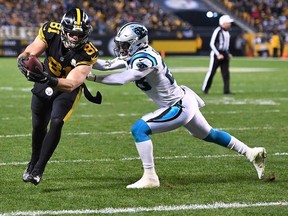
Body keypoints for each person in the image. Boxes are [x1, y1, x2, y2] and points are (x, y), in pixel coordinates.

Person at [87, 22, 267, 189]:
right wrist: (83, 59)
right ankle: (251, 152)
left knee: (139, 129)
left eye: (125, 45)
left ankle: (150, 177)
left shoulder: (145, 58)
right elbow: (107, 64)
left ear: (136, 43)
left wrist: (93, 78)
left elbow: (123, 78)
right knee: (208, 134)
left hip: (179, 106)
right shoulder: (136, 54)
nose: (121, 48)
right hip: (182, 99)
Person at [17, 8, 100, 185]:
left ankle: (38, 170)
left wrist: (48, 79)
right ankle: (32, 162)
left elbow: (70, 84)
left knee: (56, 121)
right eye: (72, 33)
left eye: (79, 34)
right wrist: (24, 59)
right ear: (63, 29)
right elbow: (31, 51)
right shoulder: (50, 31)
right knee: (38, 126)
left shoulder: (89, 52)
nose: (75, 37)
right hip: (44, 79)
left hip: (65, 88)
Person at [202, 15, 234, 94]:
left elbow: (226, 45)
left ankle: (226, 90)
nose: (230, 24)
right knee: (212, 72)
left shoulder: (227, 32)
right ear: (223, 23)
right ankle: (205, 89)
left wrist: (228, 53)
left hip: (224, 53)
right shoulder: (218, 31)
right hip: (217, 54)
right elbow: (212, 44)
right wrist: (218, 54)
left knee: (226, 73)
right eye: (228, 23)